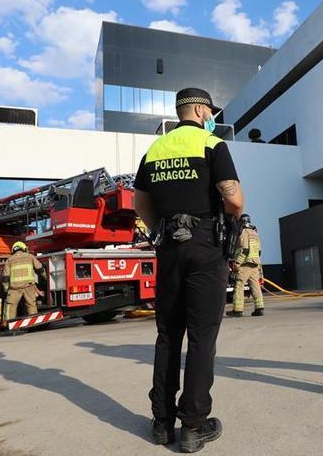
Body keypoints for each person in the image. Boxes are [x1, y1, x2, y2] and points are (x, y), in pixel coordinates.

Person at [133, 87, 244, 453]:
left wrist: (160, 231)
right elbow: (233, 199)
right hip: (204, 244)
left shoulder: (155, 150)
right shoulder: (212, 144)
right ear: (198, 109)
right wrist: (230, 223)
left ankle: (162, 423)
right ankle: (194, 425)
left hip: (168, 246)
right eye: (209, 110)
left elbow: (140, 203)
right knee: (201, 336)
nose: (211, 115)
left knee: (168, 334)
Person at [226, 214, 265, 317]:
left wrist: (237, 263)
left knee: (239, 284)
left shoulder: (244, 232)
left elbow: (244, 250)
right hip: (255, 264)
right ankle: (259, 308)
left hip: (245, 264)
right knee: (255, 285)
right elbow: (259, 252)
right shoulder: (255, 233)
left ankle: (237, 310)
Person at [1, 241, 46, 321]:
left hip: (14, 288)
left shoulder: (9, 260)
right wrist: (45, 278)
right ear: (24, 248)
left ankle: (9, 325)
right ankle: (33, 323)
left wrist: (6, 288)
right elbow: (40, 269)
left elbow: (5, 276)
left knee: (11, 306)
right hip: (29, 286)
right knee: (31, 305)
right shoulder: (30, 257)